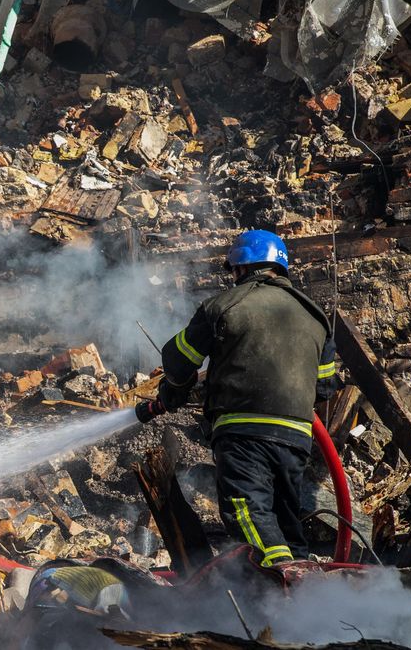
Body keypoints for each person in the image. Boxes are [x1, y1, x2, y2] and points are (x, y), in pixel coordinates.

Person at [135, 230, 338, 567]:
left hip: (243, 431)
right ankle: (304, 586)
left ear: (241, 268)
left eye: (233, 270)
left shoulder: (223, 305)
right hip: (296, 437)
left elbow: (178, 360)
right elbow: (325, 388)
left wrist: (175, 390)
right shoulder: (316, 317)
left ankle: (282, 577)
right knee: (286, 520)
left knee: (246, 510)